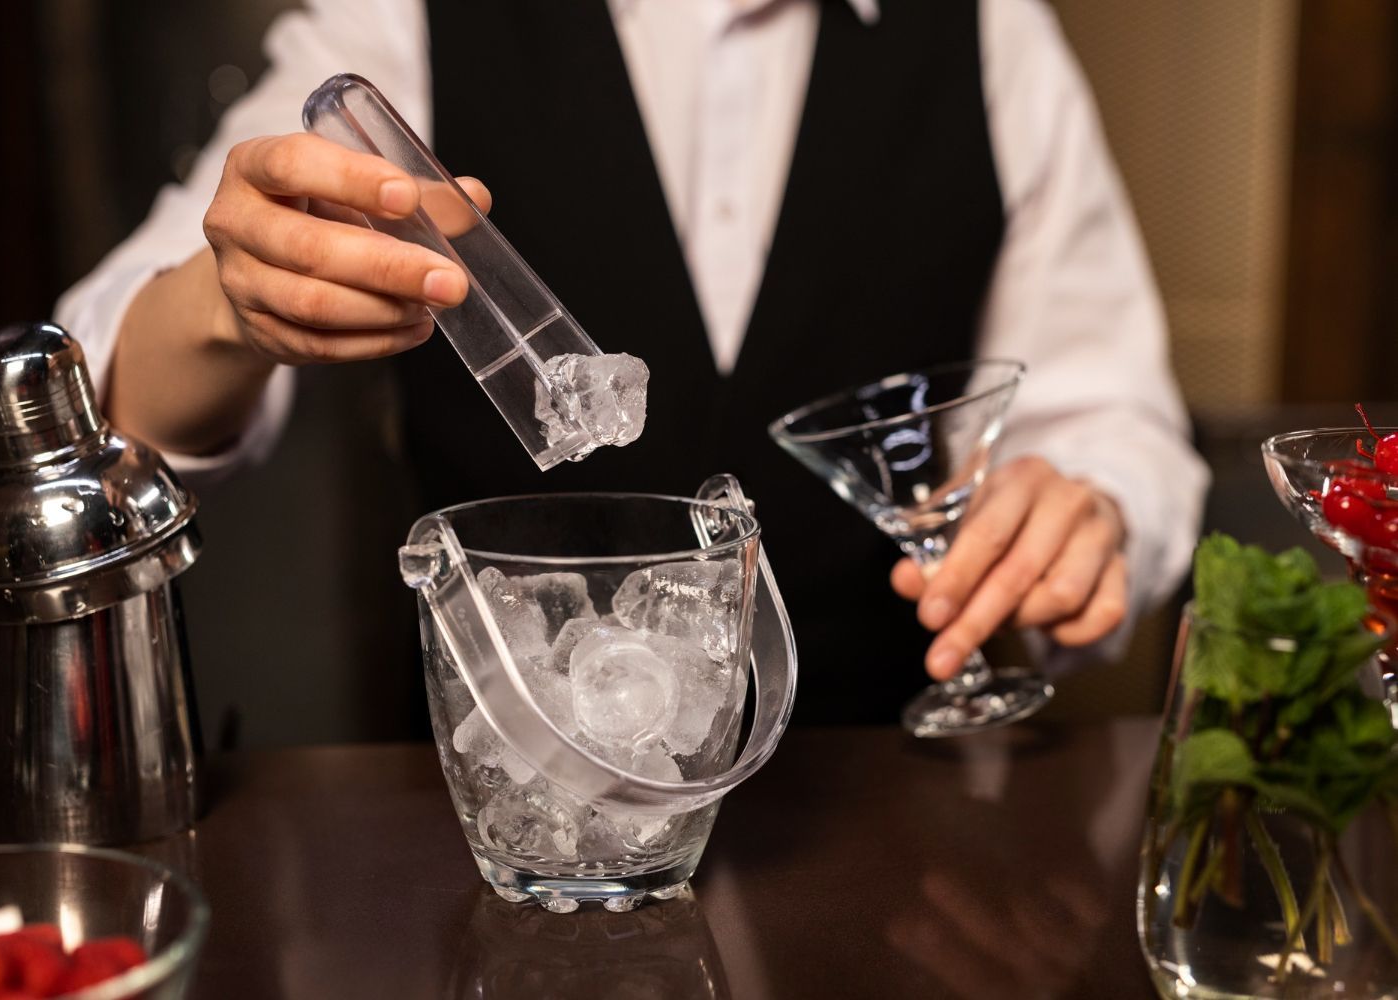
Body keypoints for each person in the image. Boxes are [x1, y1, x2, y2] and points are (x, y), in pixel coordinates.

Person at [59, 0, 1208, 724]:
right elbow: (99, 426)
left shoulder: (992, 28)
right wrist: (228, 304)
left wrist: (1086, 510)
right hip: (504, 831)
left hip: (891, 827)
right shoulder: (393, 26)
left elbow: (1109, 421)